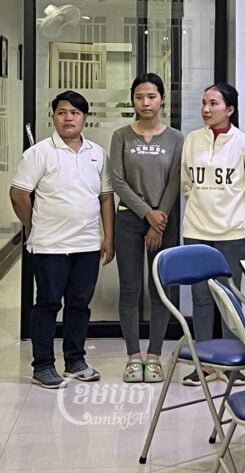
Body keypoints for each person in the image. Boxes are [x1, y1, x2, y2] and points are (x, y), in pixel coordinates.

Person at [9, 90, 114, 389]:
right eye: (62, 112)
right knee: (47, 304)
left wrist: (108, 237)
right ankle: (42, 365)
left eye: (75, 112)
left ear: (84, 118)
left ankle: (75, 361)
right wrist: (32, 224)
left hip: (87, 245)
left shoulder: (97, 153)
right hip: (50, 245)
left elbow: (106, 197)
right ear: (53, 117)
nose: (68, 117)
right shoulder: (39, 153)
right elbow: (18, 194)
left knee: (80, 305)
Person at [181, 82, 245, 386]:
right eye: (204, 103)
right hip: (196, 230)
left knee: (231, 298)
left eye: (214, 104)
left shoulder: (244, 144)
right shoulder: (193, 140)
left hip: (232, 233)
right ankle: (205, 364)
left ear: (230, 110)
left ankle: (235, 363)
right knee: (200, 298)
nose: (206, 110)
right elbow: (187, 183)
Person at [110, 73, 185, 383]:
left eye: (151, 96)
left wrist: (160, 217)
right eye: (139, 97)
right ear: (133, 101)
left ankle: (153, 355)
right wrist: (148, 215)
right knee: (130, 289)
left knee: (160, 289)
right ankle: (132, 357)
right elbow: (118, 180)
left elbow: (175, 181)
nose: (145, 102)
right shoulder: (121, 136)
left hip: (165, 220)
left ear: (162, 99)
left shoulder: (177, 138)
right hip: (129, 217)